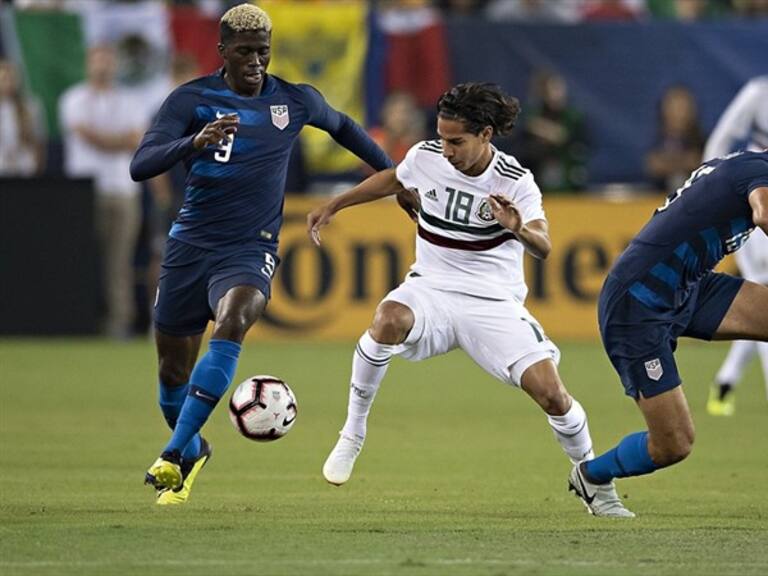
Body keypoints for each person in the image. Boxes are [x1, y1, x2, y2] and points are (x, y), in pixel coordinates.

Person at [307, 82, 634, 518]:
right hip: (432, 288)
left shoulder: (516, 181)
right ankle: (353, 432)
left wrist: (518, 228)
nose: (446, 150)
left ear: (485, 134)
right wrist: (338, 204)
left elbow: (544, 246)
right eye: (442, 138)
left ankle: (593, 481)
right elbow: (395, 177)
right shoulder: (426, 156)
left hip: (493, 302)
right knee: (387, 318)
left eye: (456, 141)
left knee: (553, 395)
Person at [129, 3, 392, 505]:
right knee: (171, 376)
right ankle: (194, 447)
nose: (255, 61)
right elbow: (141, 165)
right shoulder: (191, 100)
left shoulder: (293, 101)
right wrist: (192, 142)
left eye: (263, 52)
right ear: (222, 51)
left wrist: (395, 176)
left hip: (250, 248)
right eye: (245, 52)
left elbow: (346, 128)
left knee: (235, 319)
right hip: (190, 246)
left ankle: (172, 452)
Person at [568, 150, 768, 515]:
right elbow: (764, 214)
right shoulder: (755, 171)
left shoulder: (744, 164)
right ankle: (592, 476)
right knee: (674, 444)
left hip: (689, 288)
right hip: (638, 303)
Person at [59, 45, 147, 339]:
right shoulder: (73, 98)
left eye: (108, 61)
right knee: (77, 257)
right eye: (98, 60)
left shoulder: (130, 101)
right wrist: (117, 140)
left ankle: (118, 323)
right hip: (82, 191)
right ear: (88, 64)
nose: (103, 66)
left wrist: (105, 138)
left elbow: (136, 140)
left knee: (119, 261)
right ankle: (75, 320)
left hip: (122, 190)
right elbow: (84, 134)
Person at [703, 76, 768, 415]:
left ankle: (727, 379)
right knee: (762, 292)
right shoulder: (759, 93)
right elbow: (721, 140)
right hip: (759, 200)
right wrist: (715, 186)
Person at [645, 85, 705, 192]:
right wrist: (684, 162)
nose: (679, 113)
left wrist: (668, 163)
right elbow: (653, 165)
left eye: (683, 107)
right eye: (674, 107)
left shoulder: (703, 142)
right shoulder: (655, 142)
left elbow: (699, 162)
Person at [0, 59, 45, 176]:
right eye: (4, 79)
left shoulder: (31, 106)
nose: (8, 84)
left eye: (12, 79)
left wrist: (36, 169)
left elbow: (38, 142)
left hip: (25, 168)